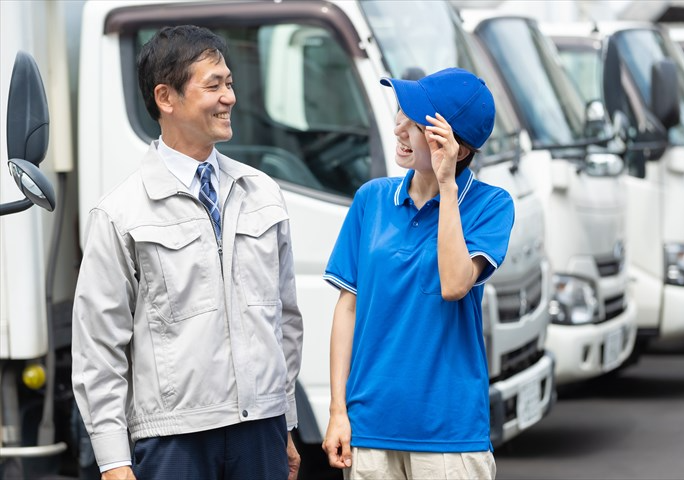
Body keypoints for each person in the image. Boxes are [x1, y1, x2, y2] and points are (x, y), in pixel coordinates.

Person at [72, 25, 303, 480]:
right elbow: (99, 346)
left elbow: (284, 319)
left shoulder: (261, 193)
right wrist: (114, 462)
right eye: (213, 85)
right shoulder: (121, 212)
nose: (229, 97)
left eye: (230, 83)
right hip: (174, 438)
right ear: (166, 97)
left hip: (261, 431)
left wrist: (286, 420)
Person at [321, 67, 514, 480]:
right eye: (402, 115)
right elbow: (347, 309)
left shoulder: (491, 205)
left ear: (458, 148)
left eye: (417, 123)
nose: (399, 128)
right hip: (370, 430)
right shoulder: (371, 200)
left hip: (450, 436)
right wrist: (338, 410)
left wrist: (446, 185)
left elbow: (454, 283)